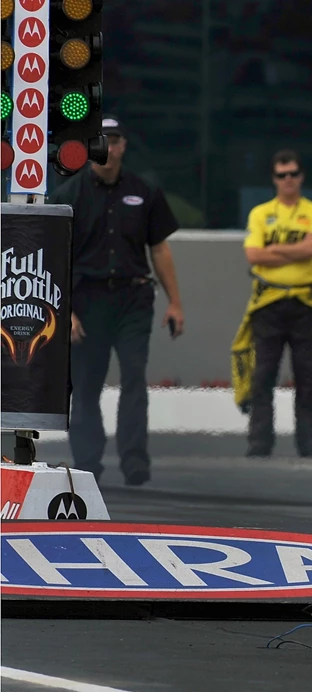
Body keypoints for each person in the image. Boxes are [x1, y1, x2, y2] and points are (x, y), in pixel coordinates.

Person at [48, 115, 184, 486]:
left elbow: (159, 249)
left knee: (135, 378)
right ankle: (87, 464)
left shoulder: (145, 191)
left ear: (124, 145)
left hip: (132, 298)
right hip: (86, 301)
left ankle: (135, 461)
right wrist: (65, 311)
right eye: (101, 138)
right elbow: (56, 256)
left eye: (115, 138)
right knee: (86, 385)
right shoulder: (68, 195)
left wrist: (175, 302)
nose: (108, 145)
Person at [231, 149, 312, 458]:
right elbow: (253, 255)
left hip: (307, 303)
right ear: (274, 179)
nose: (288, 180)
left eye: (293, 174)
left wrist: (274, 248)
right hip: (268, 303)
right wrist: (295, 248)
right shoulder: (260, 213)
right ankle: (259, 443)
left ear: (301, 176)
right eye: (281, 175)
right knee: (262, 374)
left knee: (309, 375)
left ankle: (311, 444)